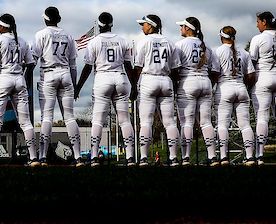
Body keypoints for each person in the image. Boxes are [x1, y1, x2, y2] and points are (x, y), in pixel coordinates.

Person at [75, 13, 135, 166]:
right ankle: (130, 157)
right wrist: (134, 85)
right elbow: (129, 66)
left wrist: (78, 87)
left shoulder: (94, 42)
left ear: (99, 25)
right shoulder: (122, 41)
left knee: (98, 121)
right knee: (125, 121)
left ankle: (94, 156)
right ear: (112, 24)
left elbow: (88, 67)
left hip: (102, 78)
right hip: (120, 78)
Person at [0, 14, 36, 166]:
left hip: (3, 78)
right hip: (19, 78)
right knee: (26, 123)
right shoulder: (23, 41)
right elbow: (30, 64)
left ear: (2, 26)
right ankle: (33, 158)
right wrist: (24, 79)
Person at [32, 7, 82, 167]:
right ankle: (78, 156)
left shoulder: (41, 34)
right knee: (69, 117)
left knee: (47, 117)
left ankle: (42, 157)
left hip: (48, 74)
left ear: (46, 19)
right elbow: (74, 65)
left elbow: (33, 60)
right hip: (66, 73)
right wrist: (75, 86)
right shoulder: (68, 35)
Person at [133, 15, 180, 166]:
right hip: (166, 80)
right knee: (170, 123)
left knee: (146, 122)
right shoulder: (170, 42)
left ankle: (144, 158)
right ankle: (173, 158)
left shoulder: (143, 42)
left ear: (151, 26)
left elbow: (138, 67)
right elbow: (175, 69)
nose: (142, 27)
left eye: (144, 24)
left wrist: (134, 85)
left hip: (148, 80)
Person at [247, 12, 276, 164]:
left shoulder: (258, 38)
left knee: (262, 117)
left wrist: (248, 83)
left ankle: (259, 155)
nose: (257, 25)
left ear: (264, 22)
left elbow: (251, 63)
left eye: (258, 22)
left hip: (263, 78)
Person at [176, 17, 216, 166]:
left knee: (187, 122)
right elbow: (213, 70)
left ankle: (185, 157)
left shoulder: (180, 44)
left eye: (182, 27)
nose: (181, 29)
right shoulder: (207, 46)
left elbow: (176, 68)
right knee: (206, 122)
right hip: (205, 82)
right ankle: (213, 157)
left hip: (188, 82)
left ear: (188, 28)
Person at [212, 26, 255, 165]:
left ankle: (223, 157)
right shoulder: (244, 52)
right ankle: (250, 157)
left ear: (221, 36)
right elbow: (250, 75)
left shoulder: (217, 51)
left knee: (222, 125)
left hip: (225, 88)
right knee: (245, 125)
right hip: (241, 88)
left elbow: (214, 73)